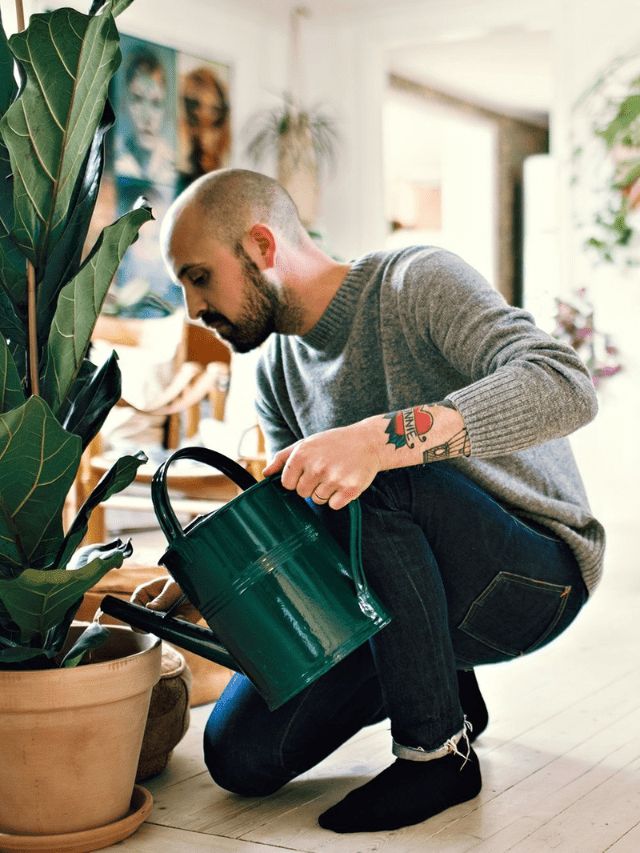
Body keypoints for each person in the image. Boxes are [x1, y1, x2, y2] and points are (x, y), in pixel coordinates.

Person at [137, 167, 604, 834]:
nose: (192, 309)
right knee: (239, 754)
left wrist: (378, 440)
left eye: (199, 277)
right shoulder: (274, 370)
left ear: (263, 247)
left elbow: (566, 385)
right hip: (403, 587)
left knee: (368, 483)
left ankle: (436, 752)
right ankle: (445, 687)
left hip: (533, 575)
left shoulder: (417, 282)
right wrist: (199, 584)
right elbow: (299, 523)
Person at [114, 49, 175, 185]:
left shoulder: (173, 167)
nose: (147, 117)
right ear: (124, 103)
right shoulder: (112, 158)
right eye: (137, 99)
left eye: (156, 103)